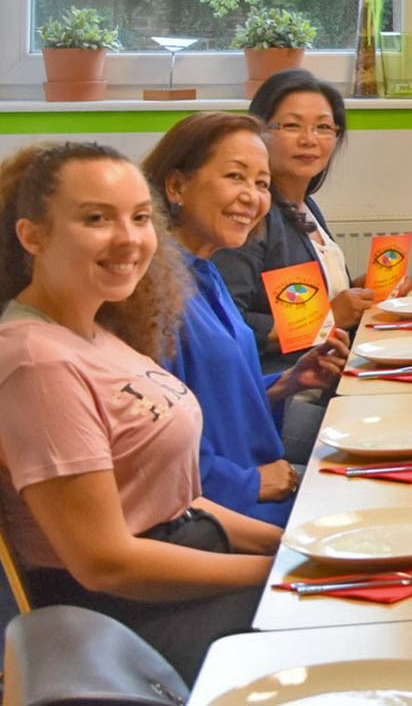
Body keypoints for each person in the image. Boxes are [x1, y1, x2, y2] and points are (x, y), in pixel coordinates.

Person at [0, 141, 279, 682]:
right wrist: (277, 574)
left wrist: (293, 545)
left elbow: (175, 503)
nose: (128, 239)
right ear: (32, 236)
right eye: (96, 219)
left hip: (180, 570)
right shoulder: (36, 361)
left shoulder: (98, 334)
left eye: (140, 217)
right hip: (130, 624)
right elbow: (106, 562)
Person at [143, 112, 349, 527]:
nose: (252, 197)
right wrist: (246, 483)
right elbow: (155, 441)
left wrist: (284, 383)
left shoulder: (204, 270)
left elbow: (210, 393)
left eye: (261, 183)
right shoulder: (152, 295)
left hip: (257, 483)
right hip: (224, 509)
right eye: (235, 177)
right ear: (177, 185)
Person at [213, 69, 387, 374]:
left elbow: (305, 298)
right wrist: (328, 316)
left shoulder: (306, 206)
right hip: (284, 389)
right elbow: (226, 322)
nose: (309, 140)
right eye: (292, 126)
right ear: (259, 132)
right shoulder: (249, 216)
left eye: (323, 127)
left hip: (333, 371)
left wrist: (363, 291)